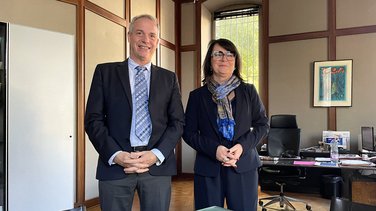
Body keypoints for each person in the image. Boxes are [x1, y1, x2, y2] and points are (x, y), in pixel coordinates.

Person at [85, 14, 184, 211]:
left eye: (152, 35)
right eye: (139, 33)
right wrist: (116, 155)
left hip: (156, 167)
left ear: (157, 41)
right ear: (129, 36)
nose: (145, 40)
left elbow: (178, 122)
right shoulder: (105, 73)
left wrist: (156, 154)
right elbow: (93, 120)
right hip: (115, 167)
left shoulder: (168, 78)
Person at [183, 38, 269, 211]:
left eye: (230, 54)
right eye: (218, 54)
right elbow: (189, 132)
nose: (224, 58)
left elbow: (262, 125)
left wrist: (241, 147)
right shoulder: (197, 96)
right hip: (208, 167)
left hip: (243, 165)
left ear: (236, 61)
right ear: (210, 60)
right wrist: (214, 150)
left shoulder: (249, 91)